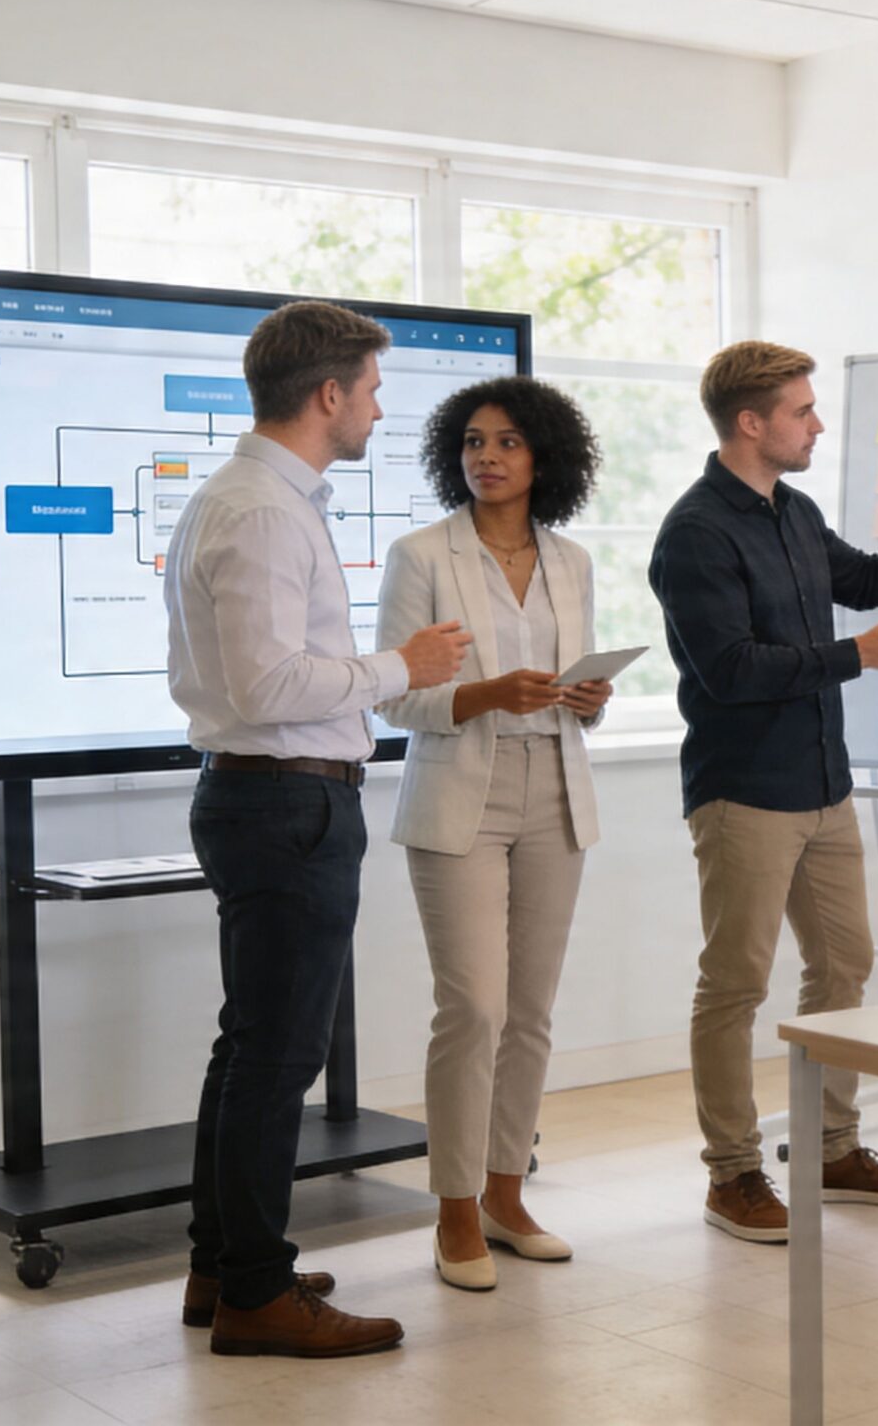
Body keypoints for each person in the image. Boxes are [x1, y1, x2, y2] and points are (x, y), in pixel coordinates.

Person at [648, 340, 878, 1243]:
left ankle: (831, 1148)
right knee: (735, 983)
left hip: (824, 785)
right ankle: (733, 1174)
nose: (817, 424)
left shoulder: (794, 508)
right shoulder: (696, 532)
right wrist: (859, 656)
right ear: (752, 423)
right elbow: (731, 669)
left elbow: (857, 579)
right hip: (744, 793)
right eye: (802, 411)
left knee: (845, 964)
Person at [164, 300, 470, 1357]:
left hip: (279, 796)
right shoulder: (259, 509)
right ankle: (255, 1289)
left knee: (250, 1047)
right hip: (284, 798)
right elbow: (266, 680)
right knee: (275, 1057)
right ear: (329, 394)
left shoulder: (266, 497)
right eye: (374, 390)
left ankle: (224, 1262)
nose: (381, 410)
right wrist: (402, 669)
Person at [375, 376, 612, 1293]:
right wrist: (487, 693)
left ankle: (508, 1195)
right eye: (474, 442)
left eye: (508, 442)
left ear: (543, 456)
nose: (488, 457)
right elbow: (396, 695)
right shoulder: (419, 554)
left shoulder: (573, 559)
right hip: (458, 793)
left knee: (530, 1011)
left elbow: (570, 689)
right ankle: (453, 1211)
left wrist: (585, 697)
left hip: (554, 785)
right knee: (471, 1007)